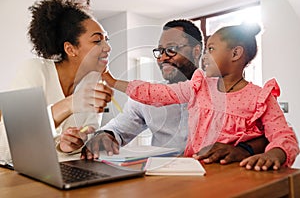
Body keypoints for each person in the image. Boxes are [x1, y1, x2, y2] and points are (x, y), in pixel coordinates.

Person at [102, 22, 299, 171]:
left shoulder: (260, 97)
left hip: (233, 173)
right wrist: (112, 82)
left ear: (236, 54)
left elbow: (282, 135)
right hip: (192, 173)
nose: (205, 57)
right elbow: (155, 94)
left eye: (210, 50)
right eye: (159, 51)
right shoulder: (198, 86)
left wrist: (276, 152)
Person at [9, 0, 113, 153]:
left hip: (65, 170)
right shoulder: (35, 70)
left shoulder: (94, 84)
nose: (108, 47)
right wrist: (68, 104)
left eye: (107, 40)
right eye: (97, 41)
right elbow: (15, 140)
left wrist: (70, 145)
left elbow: (89, 129)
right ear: (71, 50)